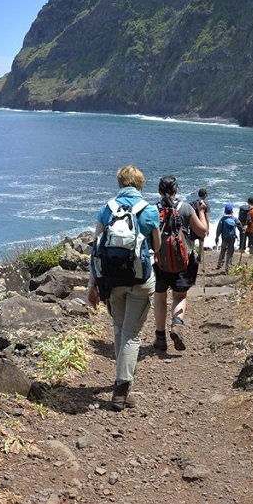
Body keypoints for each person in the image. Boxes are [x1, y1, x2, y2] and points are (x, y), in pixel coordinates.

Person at [88, 165, 161, 411]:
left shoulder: (106, 209)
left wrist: (92, 284)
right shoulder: (149, 210)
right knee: (132, 334)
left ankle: (124, 384)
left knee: (120, 328)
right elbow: (157, 247)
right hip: (140, 281)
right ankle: (121, 389)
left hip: (112, 282)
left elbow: (96, 250)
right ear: (140, 184)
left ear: (120, 183)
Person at [152, 176, 208, 353]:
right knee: (179, 297)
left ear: (160, 192)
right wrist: (201, 212)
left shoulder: (153, 209)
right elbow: (202, 231)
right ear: (176, 190)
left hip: (158, 261)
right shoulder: (185, 208)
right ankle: (176, 324)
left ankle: (160, 339)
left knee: (160, 298)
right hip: (182, 262)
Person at [214, 204, 244, 274]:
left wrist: (217, 237)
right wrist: (243, 230)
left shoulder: (222, 219)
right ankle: (228, 268)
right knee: (230, 252)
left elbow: (219, 229)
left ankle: (220, 263)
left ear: (225, 211)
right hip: (232, 238)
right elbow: (240, 227)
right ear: (232, 211)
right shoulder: (234, 219)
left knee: (223, 250)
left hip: (224, 238)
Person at [191, 188, 211, 264]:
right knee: (201, 241)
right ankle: (199, 256)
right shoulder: (205, 205)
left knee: (192, 241)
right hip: (202, 225)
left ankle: (191, 255)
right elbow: (207, 217)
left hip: (194, 224)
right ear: (205, 195)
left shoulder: (192, 203)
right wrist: (208, 228)